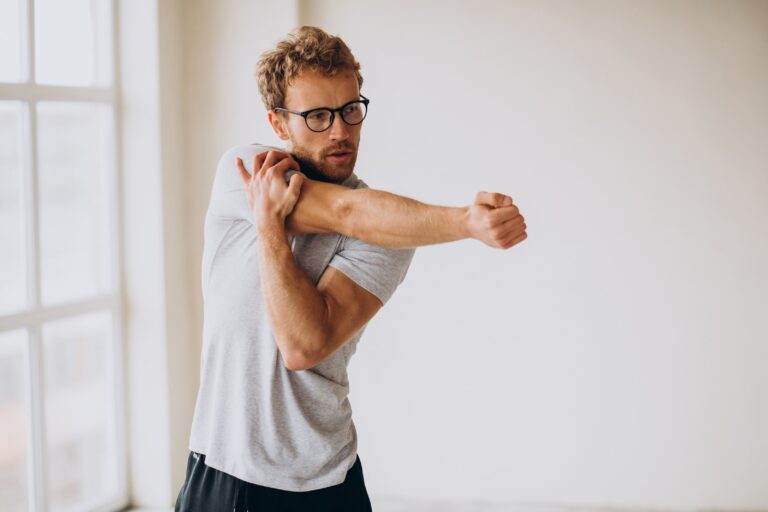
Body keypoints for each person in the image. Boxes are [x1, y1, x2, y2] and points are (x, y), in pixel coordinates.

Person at [174, 26, 527, 512]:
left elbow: (304, 344)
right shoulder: (244, 172)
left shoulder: (390, 230)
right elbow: (340, 213)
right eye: (317, 116)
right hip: (220, 471)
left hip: (323, 484)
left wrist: (270, 228)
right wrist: (461, 221)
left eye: (349, 110)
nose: (340, 131)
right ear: (278, 123)